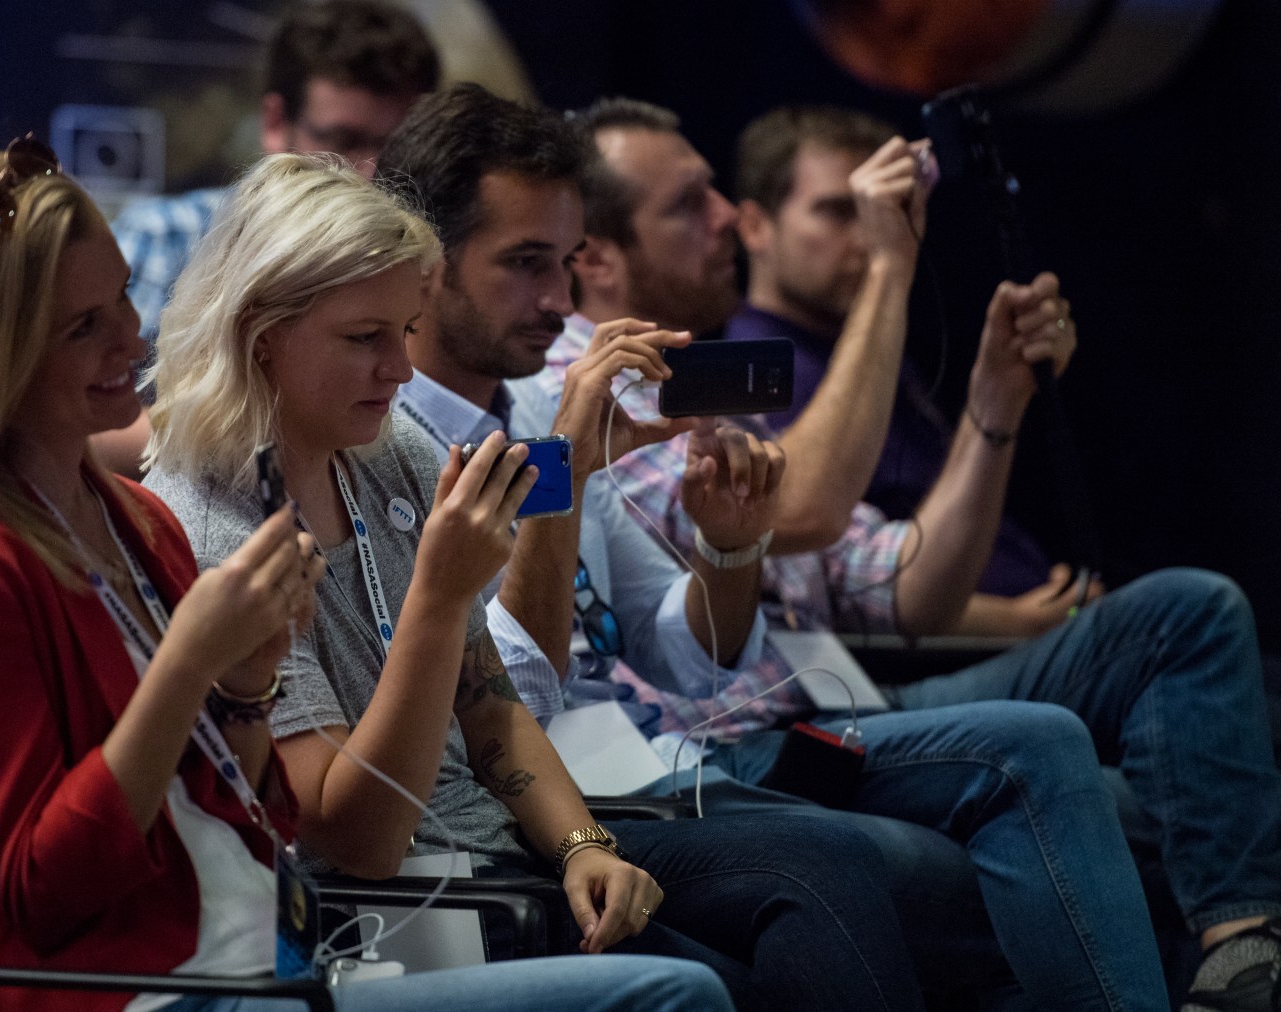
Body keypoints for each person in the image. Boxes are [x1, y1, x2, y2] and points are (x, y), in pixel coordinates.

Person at [0, 137, 733, 1012]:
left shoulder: (124, 520)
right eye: (84, 326)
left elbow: (253, 806)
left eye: (129, 300)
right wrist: (194, 667)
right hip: (153, 990)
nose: (134, 342)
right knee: (680, 990)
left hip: (267, 948)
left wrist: (246, 690)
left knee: (739, 954)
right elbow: (47, 891)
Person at [376, 81, 1190, 1009]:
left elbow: (688, 654)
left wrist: (731, 551)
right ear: (424, 262)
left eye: (565, 262)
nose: (559, 300)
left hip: (661, 761)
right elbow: (508, 701)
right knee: (867, 855)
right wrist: (561, 470)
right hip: (547, 805)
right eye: (526, 263)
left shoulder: (529, 405)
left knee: (1066, 742)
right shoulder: (399, 440)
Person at [559, 95, 1281, 1012]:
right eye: (689, 205)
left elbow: (914, 590)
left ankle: (1247, 959)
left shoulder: (701, 378)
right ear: (591, 256)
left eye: (718, 193)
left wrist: (994, 409)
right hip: (747, 737)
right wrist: (891, 268)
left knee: (1189, 612)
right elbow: (807, 508)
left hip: (844, 691)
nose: (725, 219)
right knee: (1125, 775)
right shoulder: (586, 389)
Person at [143, 150, 931, 1011]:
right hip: (390, 910)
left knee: (820, 885)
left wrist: (584, 845)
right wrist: (442, 602)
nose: (400, 370)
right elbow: (361, 839)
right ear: (263, 338)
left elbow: (494, 709)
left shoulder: (386, 445)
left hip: (507, 855)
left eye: (402, 333)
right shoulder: (205, 527)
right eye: (364, 339)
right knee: (721, 982)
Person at [732, 103, 1077, 629]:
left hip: (1015, 605)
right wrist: (1018, 620)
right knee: (1190, 610)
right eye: (837, 211)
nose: (868, 238)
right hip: (945, 646)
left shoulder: (859, 343)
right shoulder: (753, 373)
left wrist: (999, 395)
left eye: (879, 212)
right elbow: (831, 587)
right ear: (755, 226)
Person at [98, 0, 441, 475]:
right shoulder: (162, 239)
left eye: (393, 147)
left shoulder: (429, 260)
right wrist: (261, 427)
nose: (369, 173)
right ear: (276, 122)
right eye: (342, 141)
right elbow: (66, 426)